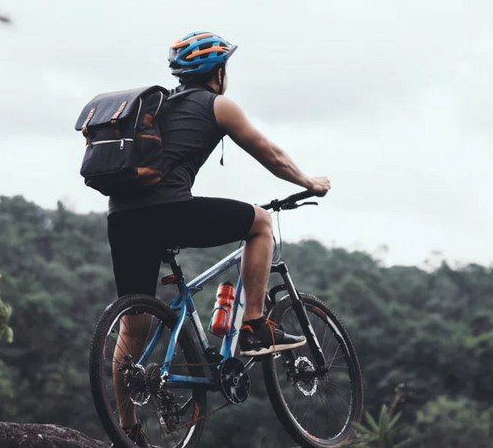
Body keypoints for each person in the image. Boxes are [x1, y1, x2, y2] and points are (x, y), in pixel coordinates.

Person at [106, 32, 330, 445]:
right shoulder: (217, 105)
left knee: (131, 326)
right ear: (219, 73)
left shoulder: (158, 108)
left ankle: (127, 428)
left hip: (122, 218)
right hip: (170, 210)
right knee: (259, 222)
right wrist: (309, 182)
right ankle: (253, 325)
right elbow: (271, 155)